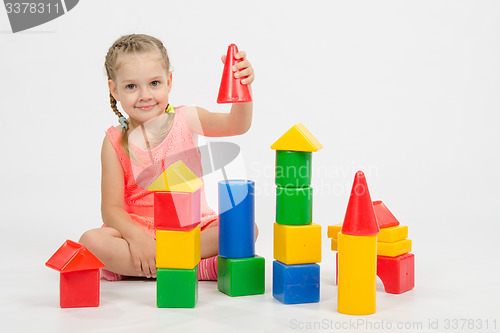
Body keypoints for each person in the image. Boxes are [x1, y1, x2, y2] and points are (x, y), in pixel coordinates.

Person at [79, 34, 256, 281]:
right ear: (114, 89)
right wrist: (138, 238)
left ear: (169, 81)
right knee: (91, 241)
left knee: (245, 228)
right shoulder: (113, 141)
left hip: (192, 228)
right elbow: (111, 208)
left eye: (154, 83)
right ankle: (191, 266)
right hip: (140, 230)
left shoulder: (188, 119)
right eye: (131, 86)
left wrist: (242, 85)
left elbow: (237, 125)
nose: (145, 95)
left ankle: (147, 265)